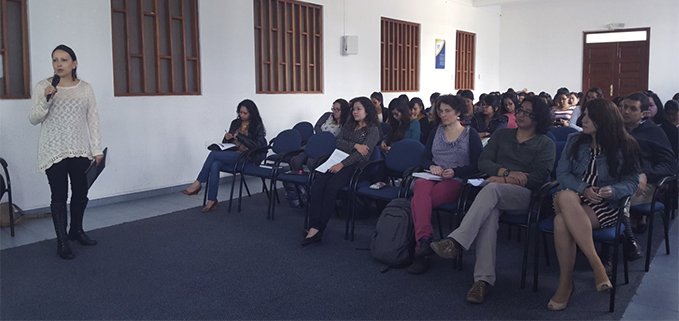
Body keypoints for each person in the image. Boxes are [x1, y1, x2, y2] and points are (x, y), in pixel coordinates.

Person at [429, 96, 556, 304]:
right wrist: (504, 173)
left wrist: (502, 180)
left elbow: (537, 178)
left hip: (524, 197)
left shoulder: (545, 143)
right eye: (521, 110)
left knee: (492, 190)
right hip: (495, 192)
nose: (521, 114)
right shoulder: (502, 136)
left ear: (538, 118)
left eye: (528, 113)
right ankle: (482, 281)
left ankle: (456, 242)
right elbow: (483, 160)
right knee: (489, 214)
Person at [548, 98, 640, 311]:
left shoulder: (626, 145)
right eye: (584, 114)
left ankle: (565, 285)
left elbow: (632, 182)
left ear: (604, 119)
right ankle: (596, 264)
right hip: (574, 196)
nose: (583, 119)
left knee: (561, 222)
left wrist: (613, 190)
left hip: (604, 204)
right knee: (565, 196)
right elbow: (562, 174)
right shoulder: (575, 140)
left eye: (589, 115)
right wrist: (583, 189)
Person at [29, 44, 103, 259]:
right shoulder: (43, 86)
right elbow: (34, 119)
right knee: (59, 195)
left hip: (79, 148)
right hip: (54, 149)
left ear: (74, 63)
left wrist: (97, 149)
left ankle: (76, 230)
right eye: (55, 60)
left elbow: (93, 119)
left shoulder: (85, 88)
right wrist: (45, 99)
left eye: (63, 59)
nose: (58, 64)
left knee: (81, 193)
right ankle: (62, 241)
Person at [407, 95, 483, 274]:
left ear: (458, 112)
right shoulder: (436, 132)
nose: (443, 114)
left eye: (447, 111)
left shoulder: (469, 134)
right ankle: (425, 242)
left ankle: (421, 251)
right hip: (432, 176)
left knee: (419, 201)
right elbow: (425, 157)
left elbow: (478, 164)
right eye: (440, 111)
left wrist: (456, 172)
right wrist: (431, 166)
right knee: (420, 186)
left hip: (455, 180)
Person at [302, 97, 381, 246]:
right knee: (318, 184)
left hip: (357, 166)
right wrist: (356, 145)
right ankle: (313, 226)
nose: (355, 112)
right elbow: (338, 142)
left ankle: (319, 229)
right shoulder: (349, 125)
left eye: (358, 109)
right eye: (353, 109)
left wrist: (342, 164)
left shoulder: (373, 130)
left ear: (367, 111)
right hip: (338, 159)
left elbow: (363, 154)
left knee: (332, 188)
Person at [182, 99, 266, 213]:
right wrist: (226, 139)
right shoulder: (235, 123)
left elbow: (257, 146)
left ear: (251, 113)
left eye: (245, 113)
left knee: (213, 155)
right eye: (240, 112)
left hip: (246, 157)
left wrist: (240, 137)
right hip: (232, 153)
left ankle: (198, 183)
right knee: (215, 164)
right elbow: (228, 144)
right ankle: (212, 200)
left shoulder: (257, 126)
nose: (242, 115)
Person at [618, 93, 677, 235]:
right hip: (616, 178)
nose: (626, 111)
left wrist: (646, 174)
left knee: (616, 197)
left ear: (644, 114)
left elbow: (670, 165)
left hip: (644, 184)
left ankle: (625, 239)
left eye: (632, 109)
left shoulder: (654, 132)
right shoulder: (616, 129)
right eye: (624, 107)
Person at [284, 99, 351, 208]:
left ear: (344, 110)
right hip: (317, 142)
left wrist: (328, 139)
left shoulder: (346, 123)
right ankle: (299, 188)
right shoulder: (327, 116)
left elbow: (341, 138)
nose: (335, 111)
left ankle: (313, 189)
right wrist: (322, 137)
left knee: (312, 162)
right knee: (295, 160)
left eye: (338, 109)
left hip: (330, 148)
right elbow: (317, 126)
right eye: (333, 109)